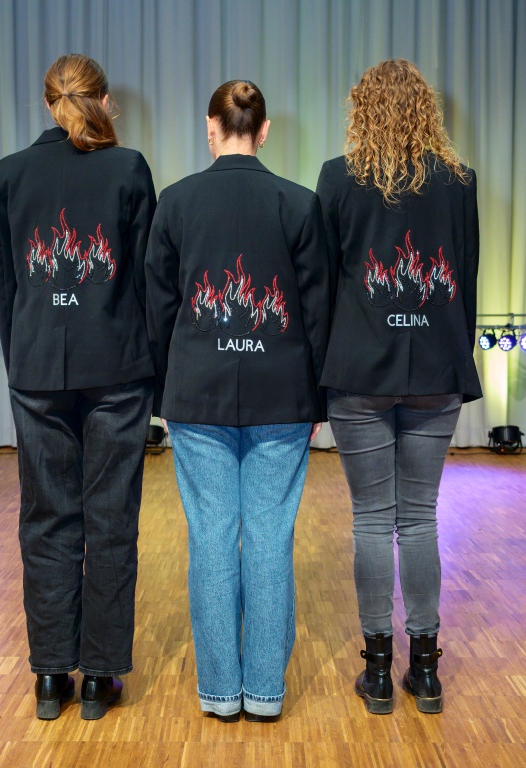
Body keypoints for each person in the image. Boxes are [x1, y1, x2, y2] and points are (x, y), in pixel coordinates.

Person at [145, 80, 331, 722]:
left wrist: (164, 391)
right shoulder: (299, 204)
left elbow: (158, 309)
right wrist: (318, 402)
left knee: (212, 540)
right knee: (271, 538)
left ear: (211, 127)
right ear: (265, 130)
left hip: (197, 395)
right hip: (284, 397)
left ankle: (221, 693)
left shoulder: (175, 202)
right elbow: (317, 313)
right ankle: (265, 694)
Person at [0, 54, 156, 720]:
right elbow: (145, 283)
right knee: (110, 522)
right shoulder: (129, 169)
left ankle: (50, 676)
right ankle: (99, 680)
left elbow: (7, 286)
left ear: (47, 103)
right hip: (117, 370)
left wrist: (22, 362)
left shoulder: (8, 173)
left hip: (36, 370)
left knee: (46, 520)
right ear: (103, 101)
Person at [316, 59, 482, 715]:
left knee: (370, 520)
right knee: (418, 519)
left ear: (362, 109)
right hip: (436, 370)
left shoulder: (337, 177)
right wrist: (456, 354)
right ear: (425, 110)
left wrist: (318, 373)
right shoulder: (459, 181)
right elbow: (465, 277)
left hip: (358, 371)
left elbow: (324, 285)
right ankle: (428, 673)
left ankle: (379, 674)